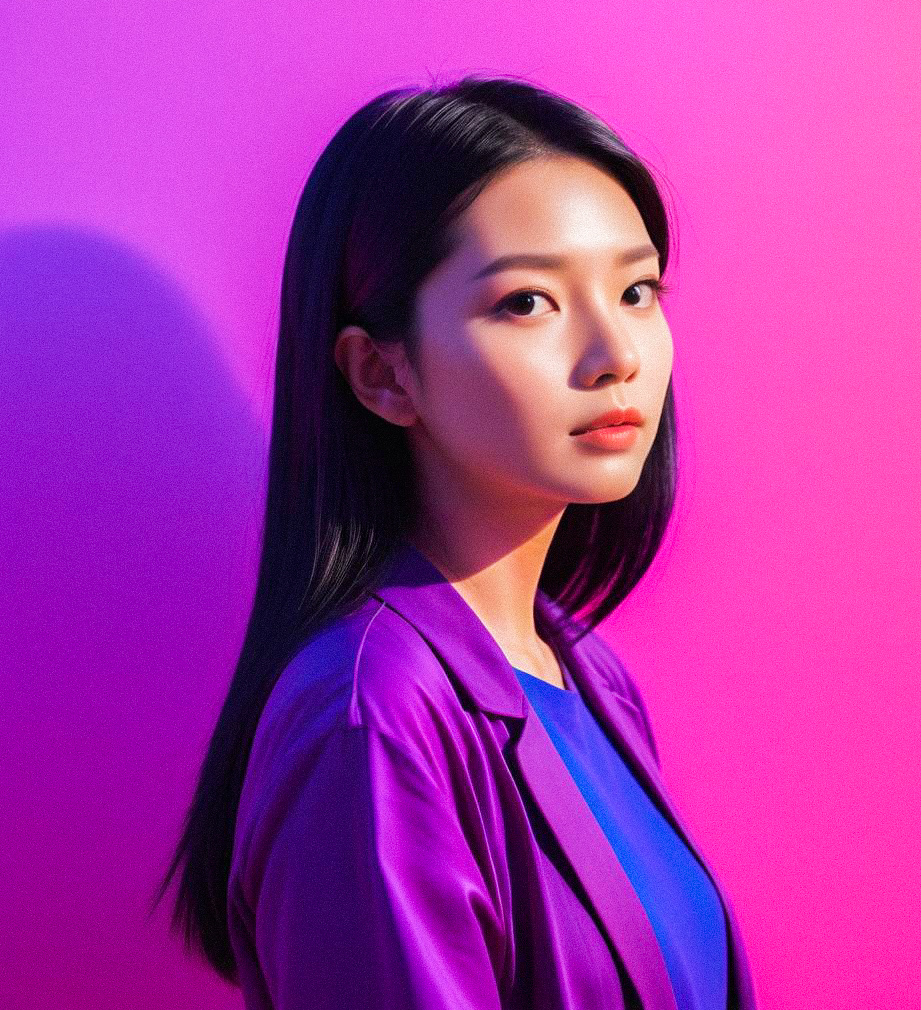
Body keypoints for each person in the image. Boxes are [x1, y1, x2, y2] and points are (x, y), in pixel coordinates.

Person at [152, 73, 759, 1010]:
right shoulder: (372, 719)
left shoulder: (586, 670)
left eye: (637, 289)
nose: (616, 353)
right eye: (527, 303)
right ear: (380, 373)